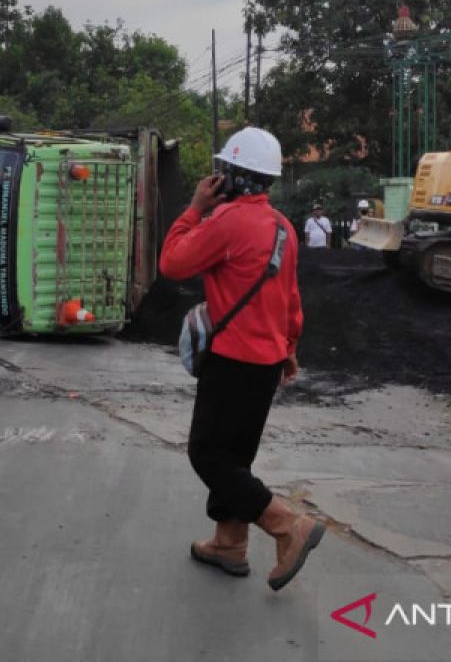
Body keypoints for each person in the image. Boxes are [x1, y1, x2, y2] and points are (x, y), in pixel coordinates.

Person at [160, 126, 324, 592]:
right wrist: (289, 348)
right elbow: (291, 298)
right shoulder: (284, 228)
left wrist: (194, 209)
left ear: (233, 176)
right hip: (266, 361)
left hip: (232, 359)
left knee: (208, 454)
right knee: (235, 456)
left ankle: (289, 525)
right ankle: (229, 544)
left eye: (222, 171)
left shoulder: (227, 221)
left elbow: (172, 264)